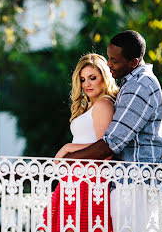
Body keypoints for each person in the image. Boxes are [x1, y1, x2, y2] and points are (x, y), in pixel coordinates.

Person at [60, 30, 162, 231]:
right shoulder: (132, 83)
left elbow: (111, 144)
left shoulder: (139, 86)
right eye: (109, 58)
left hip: (139, 180)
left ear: (134, 62)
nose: (109, 64)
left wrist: (67, 160)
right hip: (130, 180)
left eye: (114, 60)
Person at [42, 53, 118, 232]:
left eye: (93, 78)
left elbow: (105, 148)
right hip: (76, 177)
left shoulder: (104, 104)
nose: (87, 84)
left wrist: (68, 148)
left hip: (90, 179)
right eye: (83, 79)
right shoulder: (89, 106)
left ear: (104, 77)